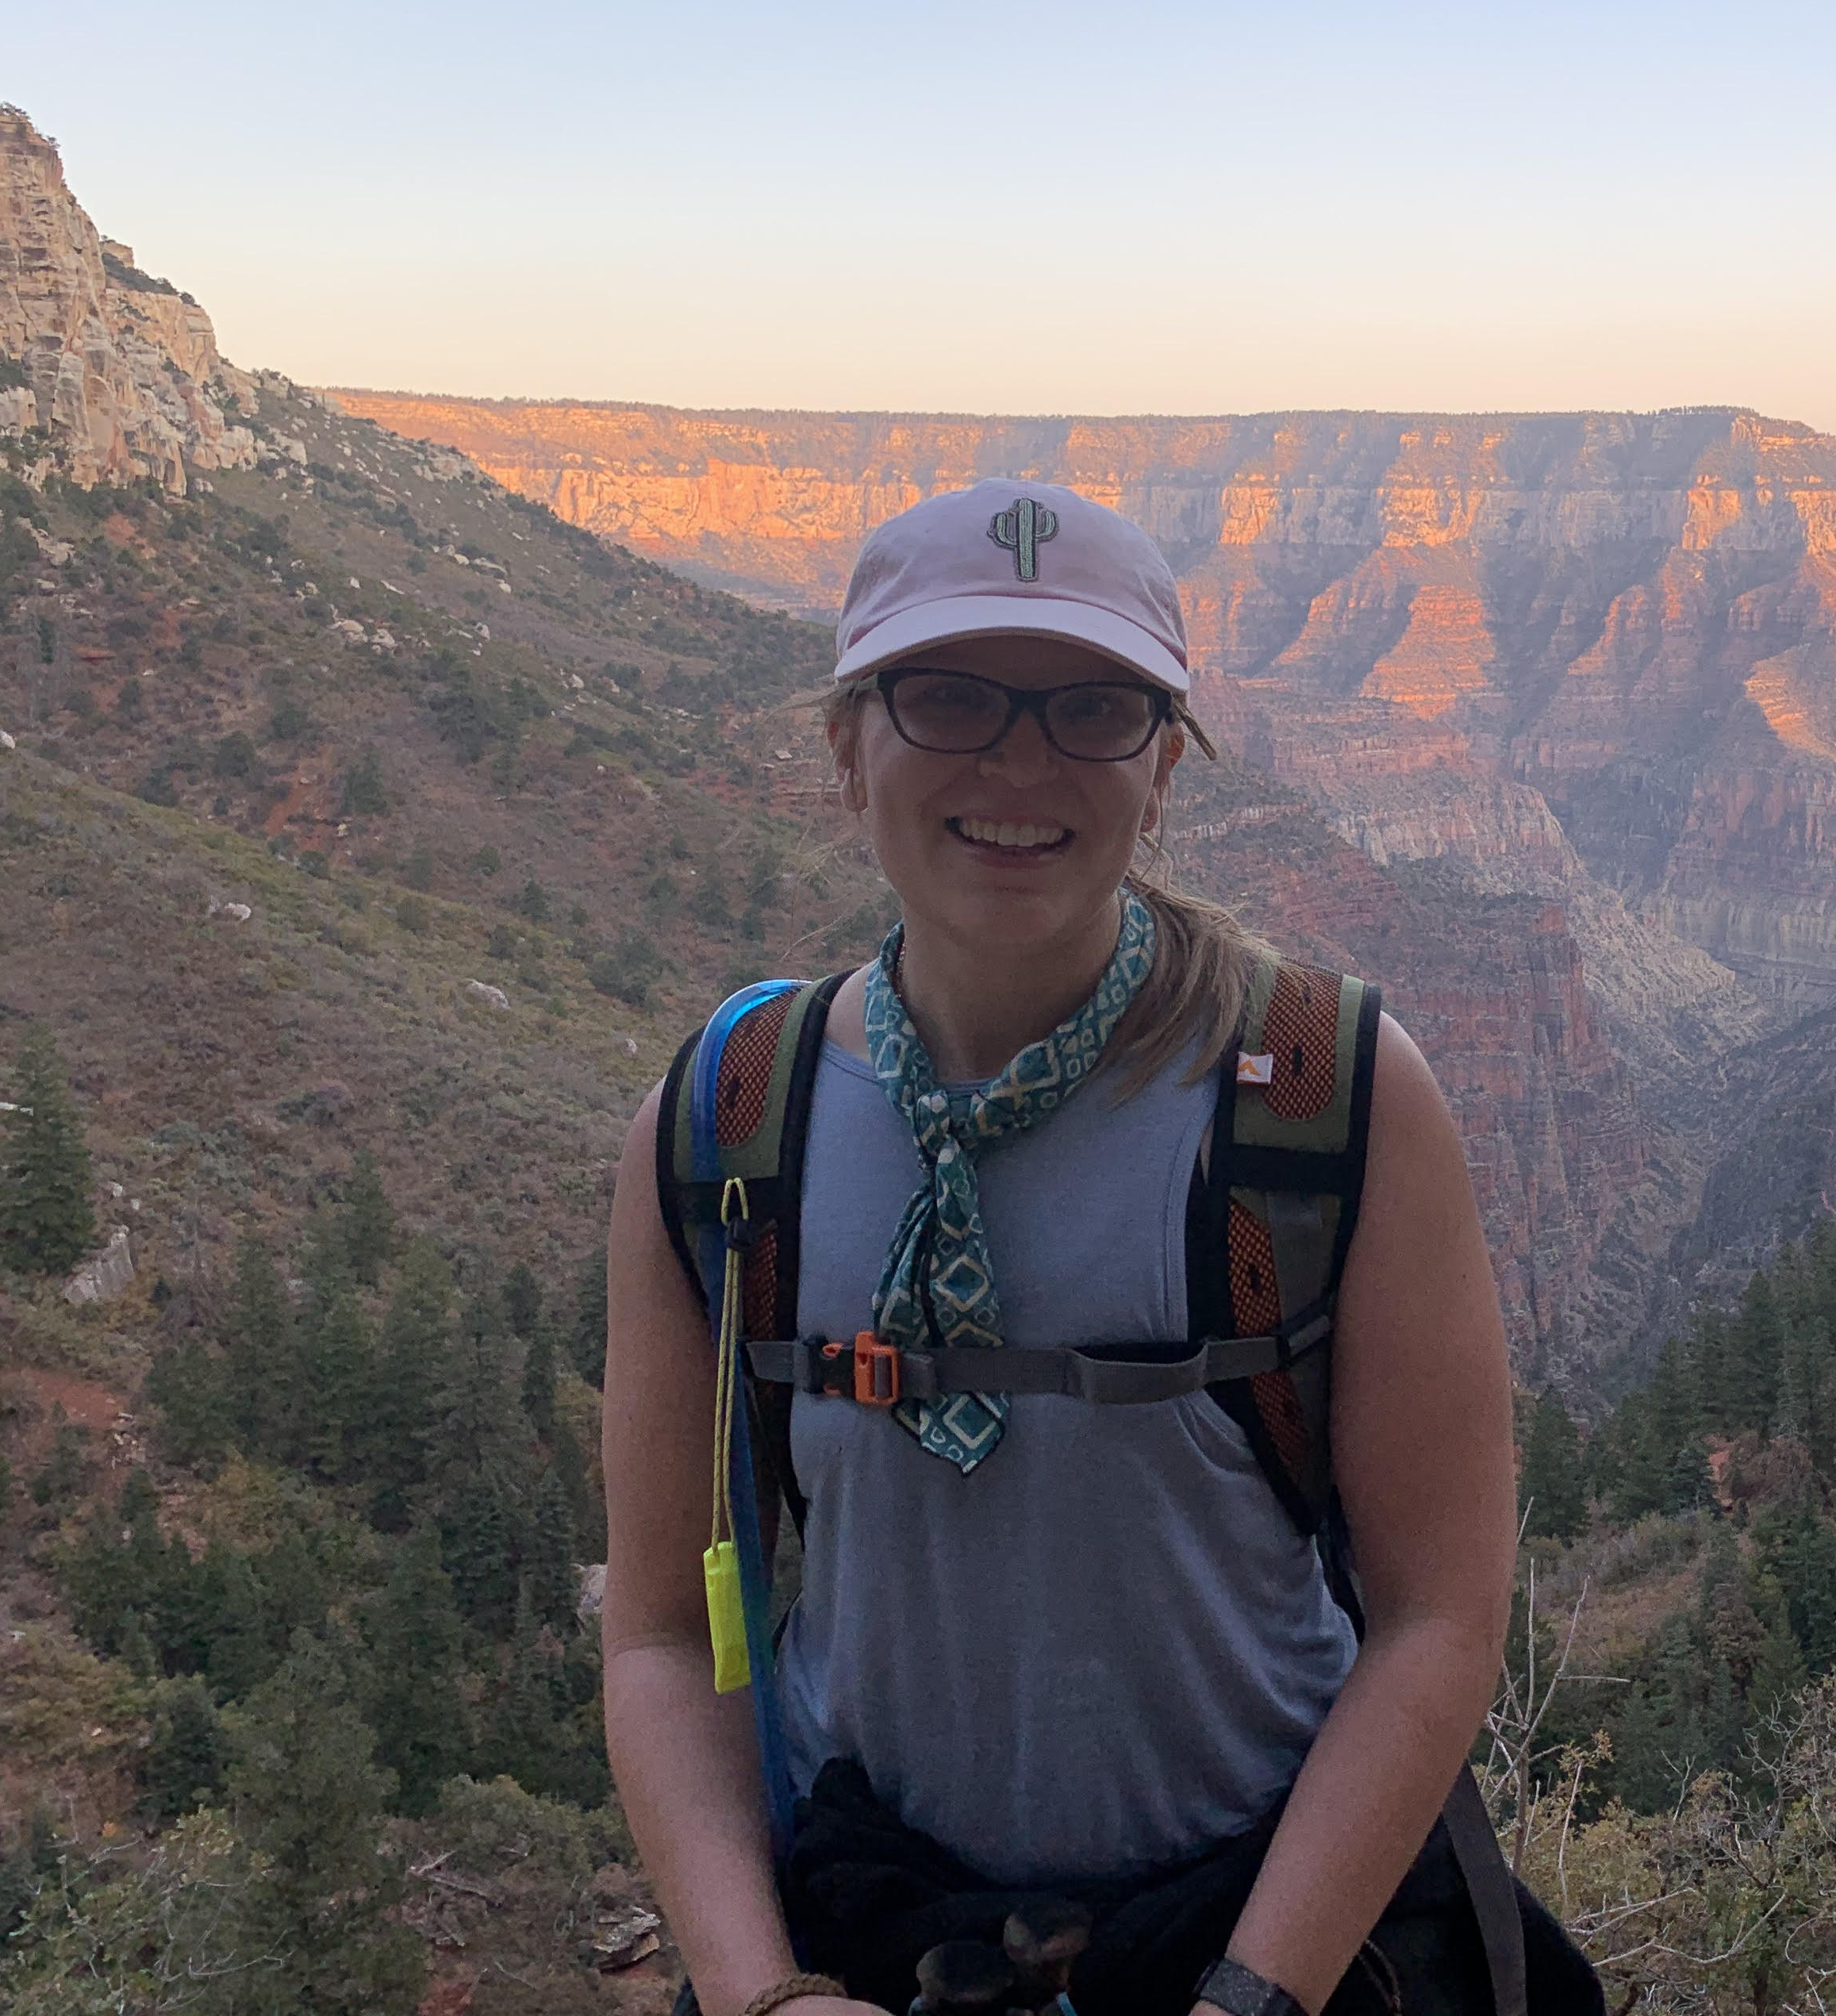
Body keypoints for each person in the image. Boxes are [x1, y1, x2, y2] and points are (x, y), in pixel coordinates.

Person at [601, 482, 1564, 2016]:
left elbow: (1440, 1616)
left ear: (1165, 763)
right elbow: (659, 1631)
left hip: (1267, 1931)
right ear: (849, 744)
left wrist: (1253, 1996)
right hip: (880, 1942)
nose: (1020, 761)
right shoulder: (725, 1125)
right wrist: (756, 1991)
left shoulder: (1331, 1098)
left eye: (1093, 710)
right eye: (950, 697)